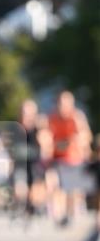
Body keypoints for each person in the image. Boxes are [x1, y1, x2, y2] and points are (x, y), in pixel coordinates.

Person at [47, 90, 92, 225]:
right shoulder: (52, 118)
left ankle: (71, 214)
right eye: (61, 103)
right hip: (57, 159)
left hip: (74, 159)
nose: (63, 106)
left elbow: (85, 137)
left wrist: (79, 142)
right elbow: (49, 139)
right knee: (54, 184)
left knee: (72, 190)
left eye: (66, 103)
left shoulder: (77, 117)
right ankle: (58, 214)